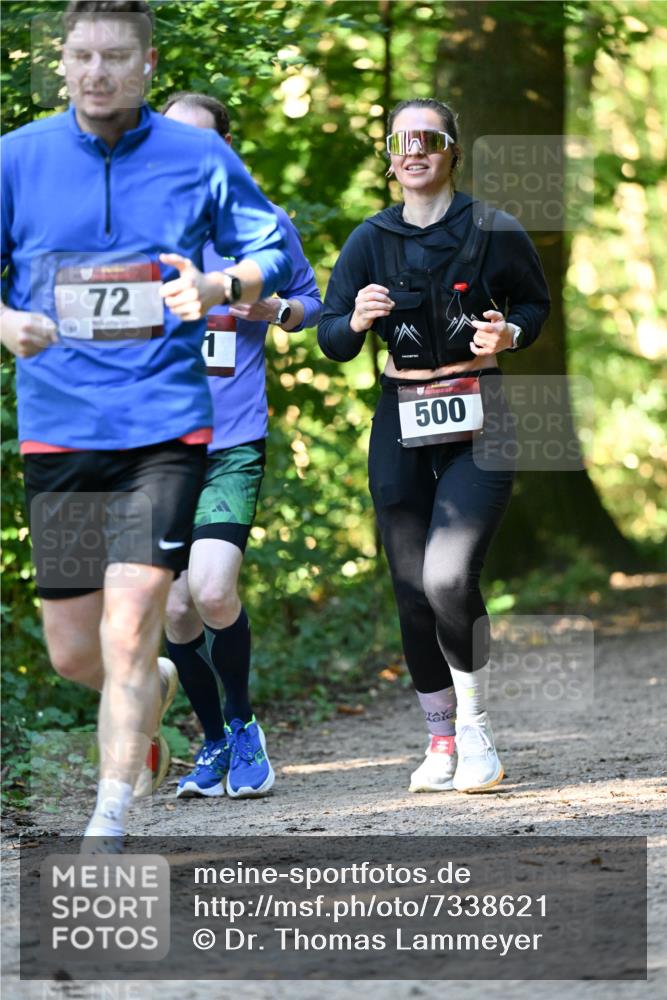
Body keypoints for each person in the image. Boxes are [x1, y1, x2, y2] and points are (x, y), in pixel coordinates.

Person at [0, 0, 290, 850]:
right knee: (75, 653)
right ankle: (153, 685)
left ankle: (111, 817)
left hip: (164, 429)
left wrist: (218, 286)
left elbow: (272, 247)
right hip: (60, 429)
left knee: (129, 624)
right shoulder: (17, 158)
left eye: (116, 57)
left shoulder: (197, 156)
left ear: (148, 65)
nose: (98, 73)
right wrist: (5, 322)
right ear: (63, 61)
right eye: (83, 56)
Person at [318, 98, 550, 794]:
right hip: (400, 420)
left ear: (452, 150)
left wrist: (510, 333)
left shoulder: (492, 228)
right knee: (411, 589)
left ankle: (476, 730)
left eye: (428, 139)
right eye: (401, 141)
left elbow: (534, 305)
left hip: (479, 418)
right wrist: (354, 320)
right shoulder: (369, 239)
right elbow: (331, 337)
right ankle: (440, 738)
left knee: (447, 578)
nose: (413, 150)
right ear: (389, 159)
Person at [160, 92, 322, 799]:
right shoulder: (136, 227)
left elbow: (314, 304)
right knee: (173, 610)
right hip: (155, 448)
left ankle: (243, 722)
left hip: (231, 442)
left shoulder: (262, 227)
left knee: (212, 589)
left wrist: (278, 309)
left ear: (225, 148)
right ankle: (215, 741)